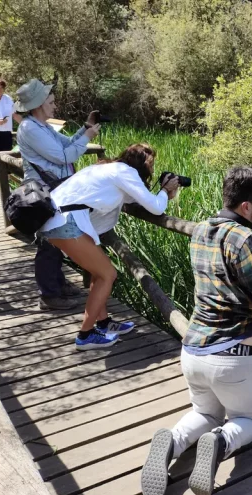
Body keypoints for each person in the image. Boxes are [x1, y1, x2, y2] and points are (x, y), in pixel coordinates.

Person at [140, 165, 252, 495]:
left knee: (204, 414)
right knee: (247, 419)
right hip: (233, 357)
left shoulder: (202, 229)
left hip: (193, 352)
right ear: (246, 206)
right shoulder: (245, 238)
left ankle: (172, 441)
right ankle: (221, 442)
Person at [37, 143, 180, 350]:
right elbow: (156, 208)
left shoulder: (108, 169)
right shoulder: (125, 172)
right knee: (108, 274)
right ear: (144, 165)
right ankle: (85, 335)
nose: (152, 169)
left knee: (99, 273)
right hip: (66, 223)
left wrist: (164, 193)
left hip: (56, 220)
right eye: (152, 165)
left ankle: (103, 323)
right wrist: (165, 190)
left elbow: (138, 199)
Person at [14, 78, 100, 311]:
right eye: (51, 102)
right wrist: (88, 137)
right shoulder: (30, 128)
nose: (55, 105)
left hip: (55, 189)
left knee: (56, 239)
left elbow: (68, 143)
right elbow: (64, 157)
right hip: (45, 192)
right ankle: (49, 295)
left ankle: (57, 284)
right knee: (49, 242)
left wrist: (85, 127)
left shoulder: (42, 126)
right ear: (39, 104)